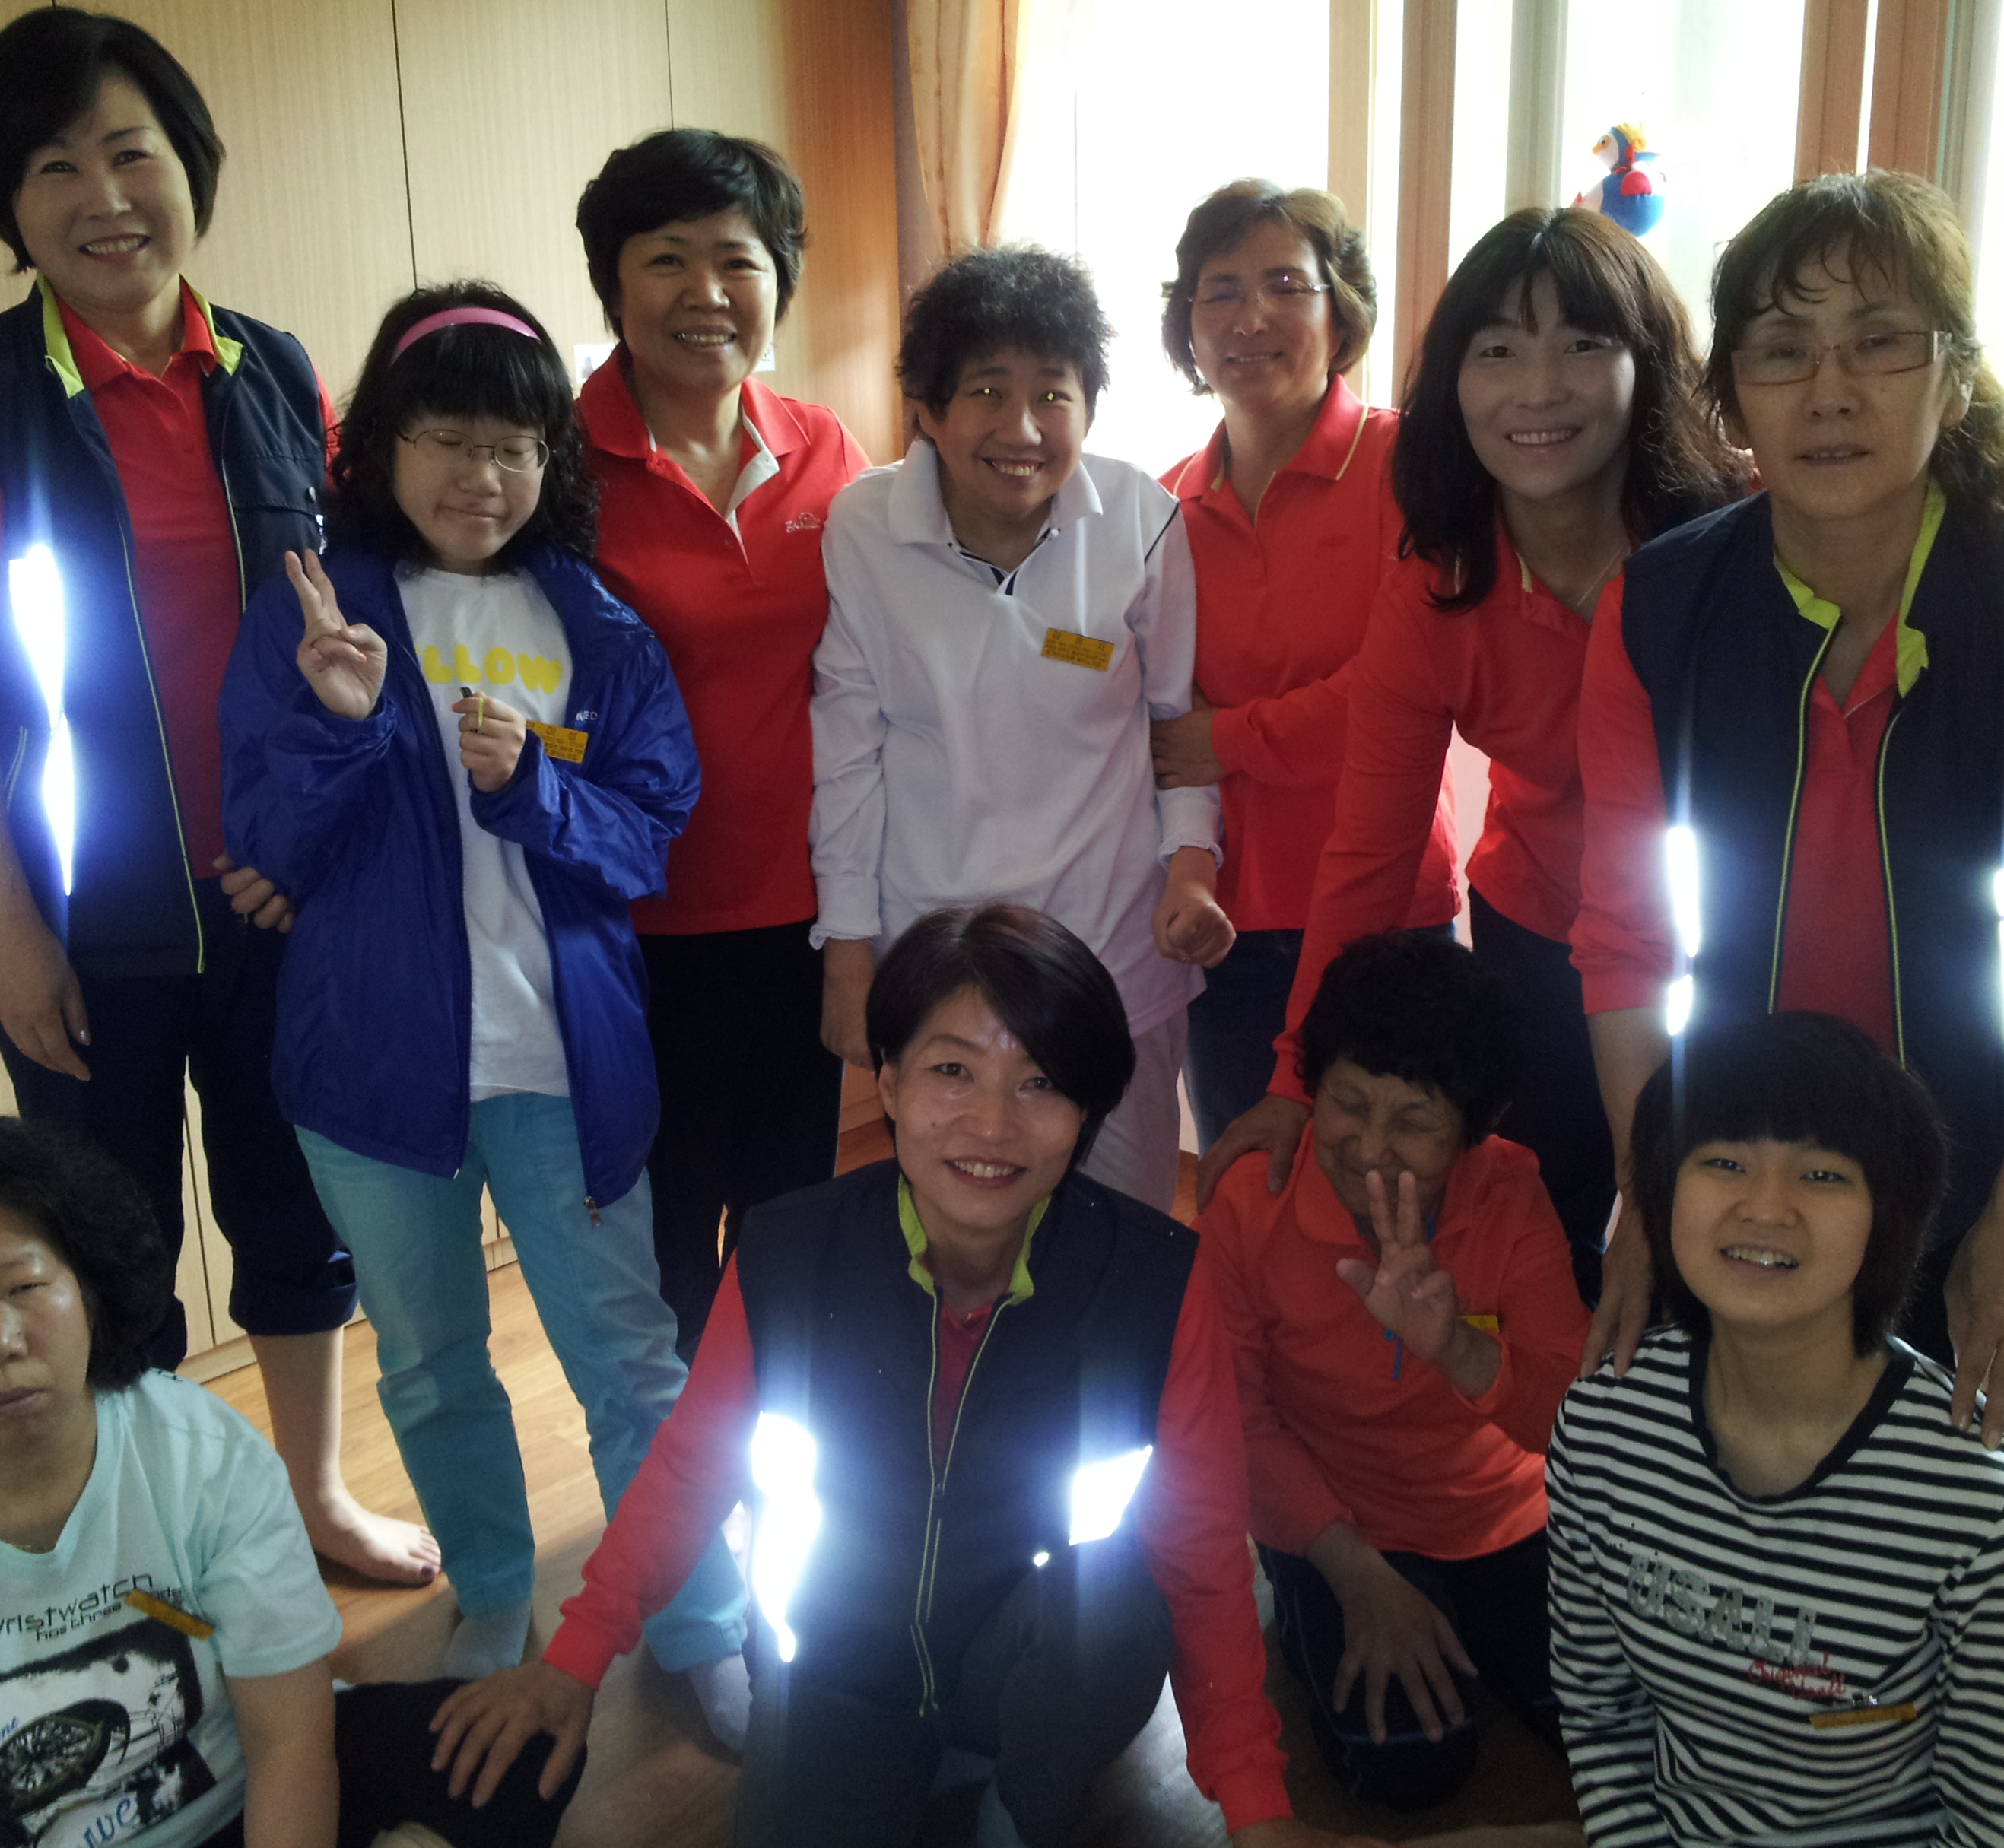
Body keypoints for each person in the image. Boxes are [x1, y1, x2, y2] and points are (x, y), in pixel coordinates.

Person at [424, 905, 1412, 1848]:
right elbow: (692, 1467)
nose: (991, 1123)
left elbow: (1202, 1555)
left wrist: (1257, 1813)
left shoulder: (1152, 1280)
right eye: (952, 1071)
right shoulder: (789, 1253)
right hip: (838, 1666)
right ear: (889, 1082)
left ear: (1085, 1111)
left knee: (1119, 1596)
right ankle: (904, 1759)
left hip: (1035, 1650)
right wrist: (576, 1659)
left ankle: (1020, 1816)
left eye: (1040, 1083)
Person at [0, 5, 434, 1585]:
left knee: (296, 1212)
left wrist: (314, 843)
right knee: (102, 1247)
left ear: (190, 167)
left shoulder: (277, 371)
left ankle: (311, 1496)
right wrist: (13, 934)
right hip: (80, 915)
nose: (105, 197)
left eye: (133, 153)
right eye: (55, 167)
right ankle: (155, 1535)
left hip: (276, 895)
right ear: (7, 203)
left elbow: (350, 628)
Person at [218, 283, 750, 1717]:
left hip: (567, 1061)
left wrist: (532, 788)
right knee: (434, 1364)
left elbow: (651, 831)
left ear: (550, 459)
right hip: (372, 1072)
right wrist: (340, 727)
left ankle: (700, 1617)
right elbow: (264, 845)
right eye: (447, 439)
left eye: (513, 446)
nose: (482, 476)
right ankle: (495, 1591)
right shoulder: (316, 612)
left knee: (630, 1362)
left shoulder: (595, 619)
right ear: (380, 446)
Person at [1570, 170, 2004, 1440]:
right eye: (1782, 350)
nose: (1829, 391)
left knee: (1920, 1484)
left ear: (1955, 375)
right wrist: (1641, 1190)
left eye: (1879, 342)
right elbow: (1623, 935)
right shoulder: (1656, 609)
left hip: (1947, 1143)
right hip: (1721, 1138)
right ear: (1733, 398)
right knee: (1717, 1462)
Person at [1196, 208, 1747, 1313]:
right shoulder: (1440, 589)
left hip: (1738, 939)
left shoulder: (1732, 548)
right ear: (1454, 381)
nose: (1537, 389)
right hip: (1541, 928)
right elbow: (1369, 851)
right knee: (1551, 1232)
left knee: (1726, 1230)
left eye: (1582, 344)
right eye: (1497, 350)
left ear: (1645, 365)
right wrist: (1297, 1076)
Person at [0, 1113, 581, 1848]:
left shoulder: (200, 1453)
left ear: (87, 1293)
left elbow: (289, 1742)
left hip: (238, 1814)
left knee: (526, 1735)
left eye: (24, 1287)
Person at [1548, 1012, 2004, 1848]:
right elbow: (1600, 1713)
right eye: (1723, 1163)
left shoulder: (1990, 1512)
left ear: (1888, 1219)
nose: (1766, 1208)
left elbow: (1998, 1837)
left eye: (1823, 1175)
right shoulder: (1602, 1427)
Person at [811, 246, 1234, 1211]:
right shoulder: (864, 528)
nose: (1023, 428)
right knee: (958, 1233)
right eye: (987, 392)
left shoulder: (1141, 520)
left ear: (1090, 405)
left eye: (1053, 393)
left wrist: (1191, 867)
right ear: (928, 408)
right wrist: (848, 953)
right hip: (935, 959)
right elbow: (848, 758)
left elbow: (1178, 723)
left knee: (1122, 1229)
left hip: (1112, 949)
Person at [573, 129, 872, 1358]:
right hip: (630, 923)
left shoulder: (823, 447)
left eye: (738, 260)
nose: (706, 292)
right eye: (667, 259)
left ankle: (767, 1436)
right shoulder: (553, 464)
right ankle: (674, 1454)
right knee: (656, 1237)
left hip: (802, 914)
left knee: (785, 1220)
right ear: (613, 282)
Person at [1203, 931, 1588, 1808]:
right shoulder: (1249, 1205)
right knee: (1411, 1770)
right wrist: (1355, 1575)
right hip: (1343, 1524)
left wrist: (1456, 1347)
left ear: (1475, 1133)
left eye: (1414, 1122)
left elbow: (1572, 1418)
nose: (1370, 1146)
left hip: (1508, 1515)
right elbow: (1235, 1420)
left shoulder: (1511, 1190)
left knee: (1612, 1730)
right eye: (1347, 1103)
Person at [1151, 180, 1459, 1151]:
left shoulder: (1410, 468)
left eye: (1286, 285)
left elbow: (1405, 691)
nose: (1251, 318)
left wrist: (1230, 739)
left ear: (1342, 311)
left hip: (1390, 909)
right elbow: (1162, 717)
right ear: (1187, 326)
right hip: (1229, 922)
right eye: (1220, 291)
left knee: (1398, 1191)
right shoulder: (1164, 507)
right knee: (1249, 1189)